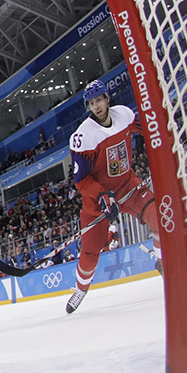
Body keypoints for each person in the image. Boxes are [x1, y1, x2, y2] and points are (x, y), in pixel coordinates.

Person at [66, 79, 161, 313]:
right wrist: (102, 196)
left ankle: (162, 260)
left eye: (99, 100)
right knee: (89, 254)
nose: (96, 106)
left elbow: (149, 129)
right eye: (91, 103)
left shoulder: (125, 115)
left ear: (107, 99)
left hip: (128, 186)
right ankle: (80, 289)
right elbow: (81, 181)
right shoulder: (83, 137)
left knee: (158, 216)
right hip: (97, 203)